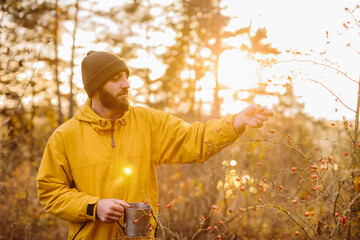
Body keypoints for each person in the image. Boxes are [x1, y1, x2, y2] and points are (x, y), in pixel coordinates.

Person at [37, 50, 273, 240]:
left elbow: (194, 138)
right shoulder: (65, 136)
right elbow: (51, 193)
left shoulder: (147, 121)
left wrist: (236, 122)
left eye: (126, 76)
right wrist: (93, 207)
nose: (127, 84)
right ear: (96, 88)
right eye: (116, 78)